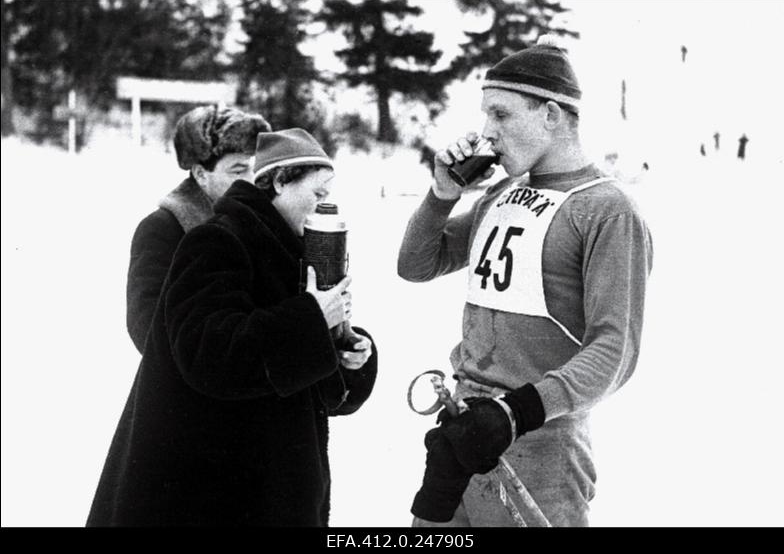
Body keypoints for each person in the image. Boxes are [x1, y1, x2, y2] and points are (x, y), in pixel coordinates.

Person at [398, 36, 653, 527]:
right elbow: (416, 264)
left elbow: (614, 352)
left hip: (540, 442)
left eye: (501, 115)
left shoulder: (606, 210)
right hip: (461, 430)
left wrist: (516, 413)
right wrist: (441, 194)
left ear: (551, 115)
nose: (486, 133)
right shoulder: (503, 192)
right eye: (486, 116)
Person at [88, 128, 378, 526]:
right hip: (209, 490)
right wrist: (311, 318)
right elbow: (208, 352)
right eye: (317, 194)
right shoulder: (216, 240)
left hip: (263, 485)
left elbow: (307, 383)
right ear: (278, 181)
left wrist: (347, 354)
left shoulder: (293, 252)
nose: (323, 206)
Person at [126, 104, 270, 353]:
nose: (251, 180)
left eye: (254, 168)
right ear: (201, 174)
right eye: (238, 170)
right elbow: (146, 326)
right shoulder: (162, 229)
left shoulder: (256, 224)